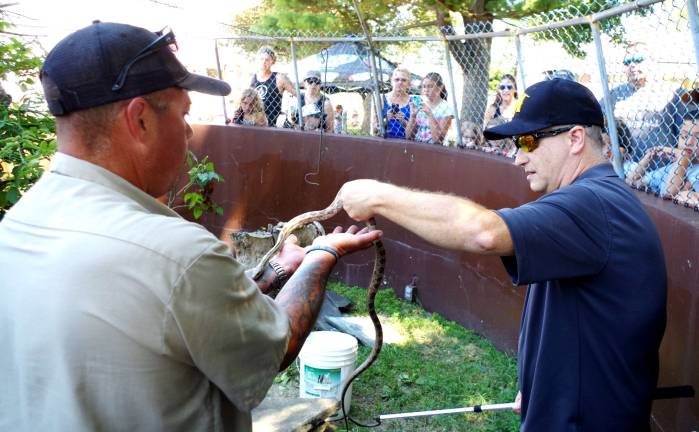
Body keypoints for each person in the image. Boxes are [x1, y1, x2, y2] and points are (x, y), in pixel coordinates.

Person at [0, 22, 381, 431]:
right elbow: (273, 347)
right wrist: (321, 257)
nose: (186, 131)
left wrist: (276, 272)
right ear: (140, 120)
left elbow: (168, 315)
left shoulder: (16, 226)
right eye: (184, 114)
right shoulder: (177, 253)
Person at [337, 78, 666, 431]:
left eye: (528, 140)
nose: (518, 157)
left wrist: (377, 196)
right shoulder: (600, 201)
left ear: (574, 138)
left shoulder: (594, 204)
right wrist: (545, 387)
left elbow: (482, 232)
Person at [626, 109, 699, 199]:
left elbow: (668, 193)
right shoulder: (671, 167)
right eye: (684, 136)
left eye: (698, 138)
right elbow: (630, 181)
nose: (688, 142)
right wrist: (648, 157)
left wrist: (683, 155)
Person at [250, 46, 296, 127]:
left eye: (267, 60)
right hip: (253, 122)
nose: (263, 62)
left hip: (272, 124)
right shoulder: (253, 78)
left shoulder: (279, 78)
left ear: (272, 62)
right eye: (261, 59)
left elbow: (297, 94)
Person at [408, 72, 454, 145]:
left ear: (440, 87)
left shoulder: (446, 108)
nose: (426, 89)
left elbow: (437, 140)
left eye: (430, 86)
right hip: (416, 146)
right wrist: (413, 116)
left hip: (434, 149)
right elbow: (408, 136)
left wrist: (429, 114)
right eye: (424, 86)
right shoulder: (420, 103)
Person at [382, 66, 417, 139]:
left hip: (406, 144)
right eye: (396, 79)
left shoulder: (413, 101)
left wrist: (403, 122)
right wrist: (386, 120)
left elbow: (414, 133)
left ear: (409, 83)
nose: (400, 82)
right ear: (391, 81)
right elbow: (374, 128)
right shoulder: (382, 99)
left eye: (404, 80)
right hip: (385, 141)